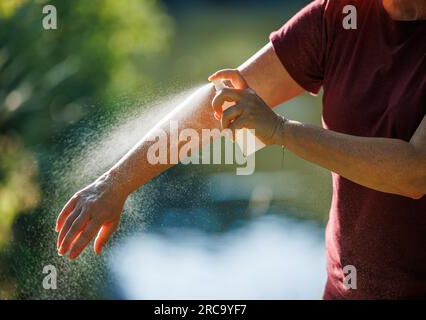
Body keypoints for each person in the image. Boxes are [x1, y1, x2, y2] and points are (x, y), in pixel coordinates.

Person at [55, 0, 425, 299]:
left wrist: (281, 131)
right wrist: (115, 183)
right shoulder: (337, 16)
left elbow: (415, 171)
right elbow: (223, 102)